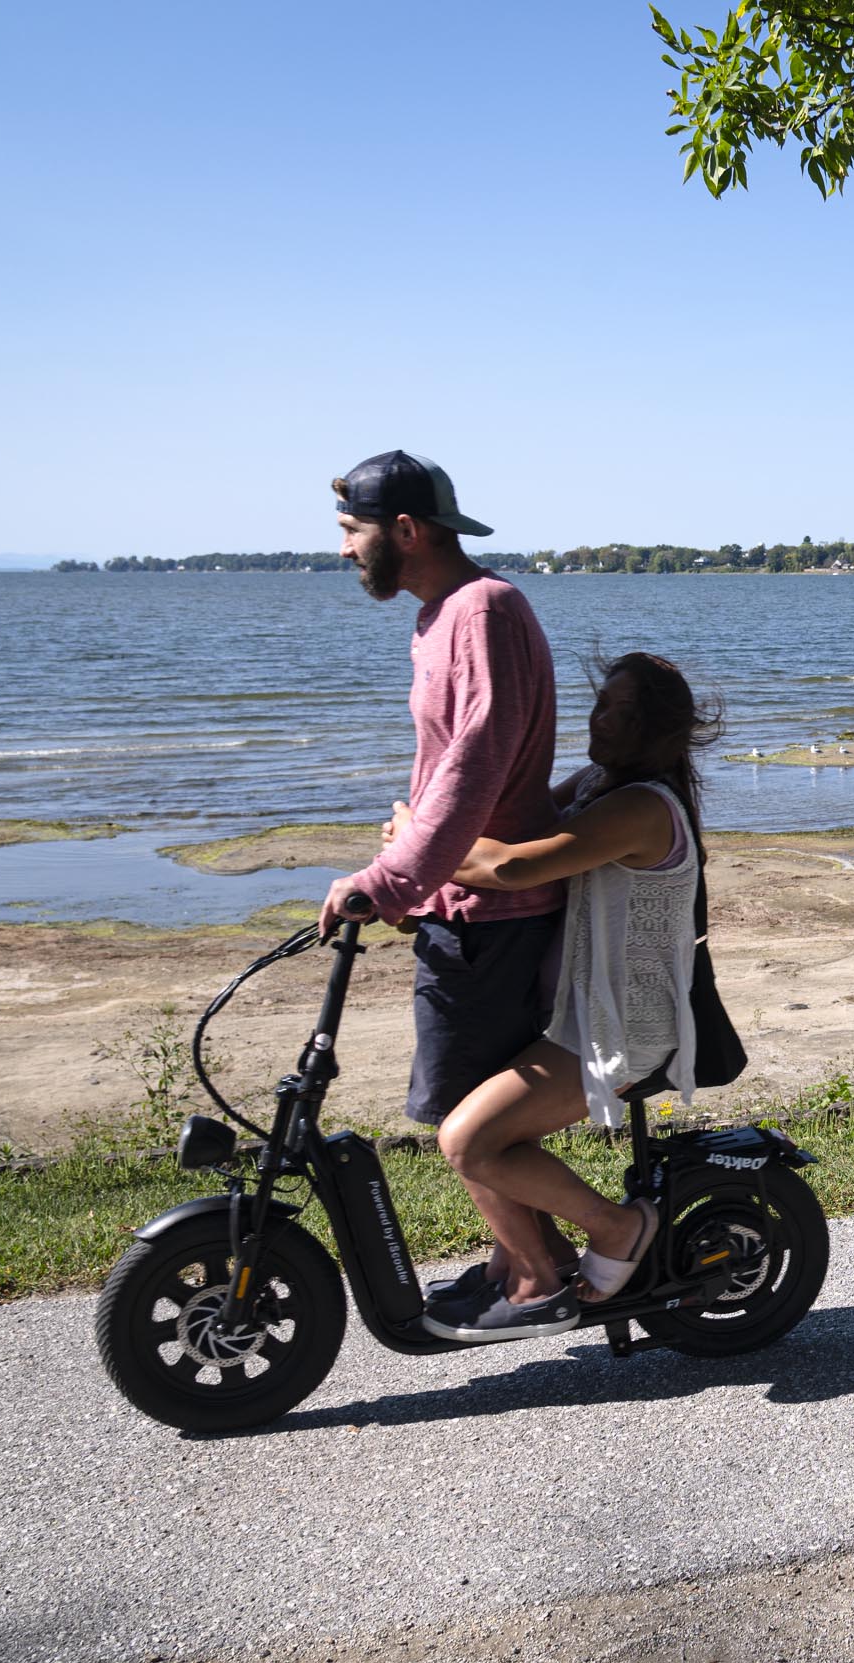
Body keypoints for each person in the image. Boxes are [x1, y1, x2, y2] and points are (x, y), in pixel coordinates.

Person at [319, 450, 572, 1295]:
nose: (346, 550)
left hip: (492, 915)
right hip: (458, 902)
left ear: (404, 529)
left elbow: (476, 766)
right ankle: (514, 1260)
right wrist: (409, 868)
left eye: (353, 531)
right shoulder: (440, 615)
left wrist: (390, 880)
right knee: (471, 1111)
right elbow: (442, 776)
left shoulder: (485, 609)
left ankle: (538, 1274)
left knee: (462, 1117)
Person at [419, 651, 719, 1341]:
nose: (600, 718)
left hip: (620, 1029)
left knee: (469, 1139)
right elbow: (515, 834)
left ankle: (616, 1227)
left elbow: (517, 863)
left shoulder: (644, 807)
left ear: (657, 730)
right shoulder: (598, 784)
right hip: (570, 1016)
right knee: (469, 1109)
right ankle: (534, 1256)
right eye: (600, 703)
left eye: (622, 710)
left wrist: (420, 845)